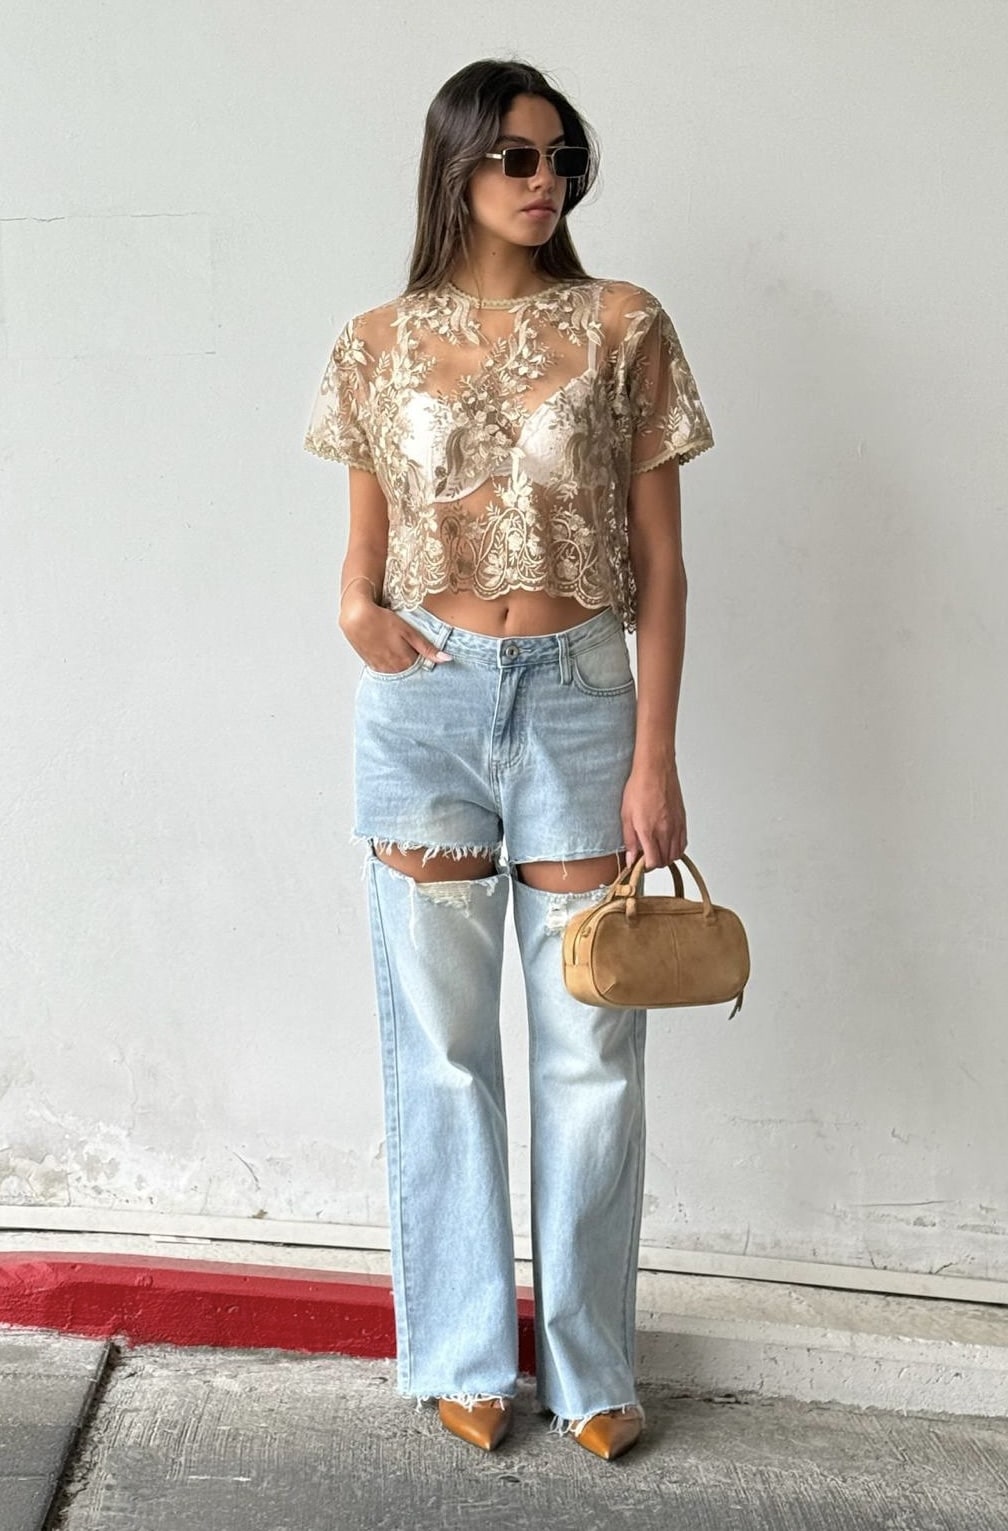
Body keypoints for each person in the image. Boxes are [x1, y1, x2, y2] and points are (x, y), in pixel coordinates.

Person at [303, 57, 714, 1461]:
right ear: (456, 166)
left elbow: (662, 565)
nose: (546, 182)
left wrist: (653, 758)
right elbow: (360, 559)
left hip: (582, 695)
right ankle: (463, 1349)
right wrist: (356, 615)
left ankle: (593, 1368)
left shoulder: (622, 324)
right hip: (424, 704)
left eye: (562, 157)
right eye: (517, 158)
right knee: (441, 1052)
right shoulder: (374, 341)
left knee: (591, 1050)